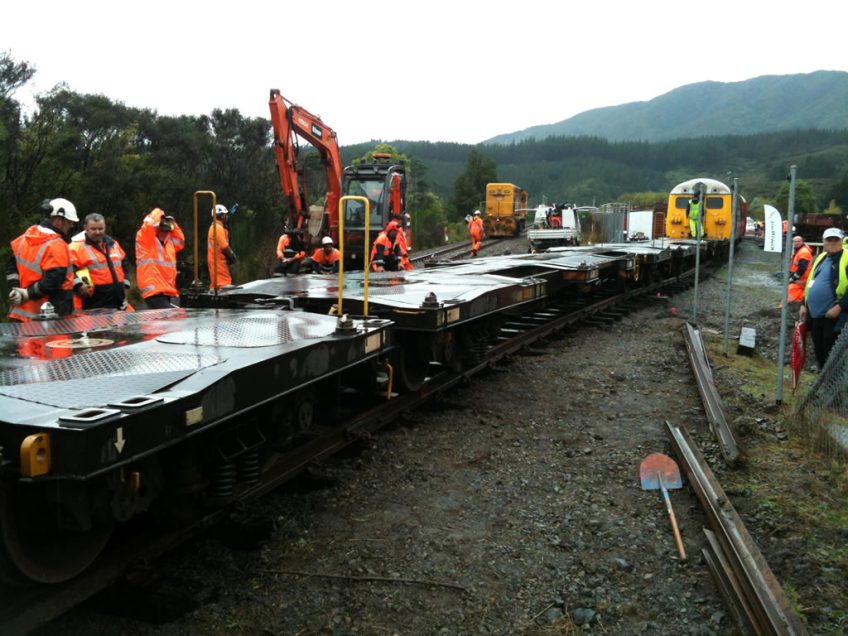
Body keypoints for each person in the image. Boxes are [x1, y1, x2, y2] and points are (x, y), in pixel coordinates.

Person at [7, 197, 78, 321]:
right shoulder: (56, 245)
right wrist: (27, 293)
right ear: (59, 220)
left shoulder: (24, 238)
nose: (72, 225)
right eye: (70, 221)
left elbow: (11, 268)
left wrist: (16, 290)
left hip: (22, 314)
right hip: (50, 315)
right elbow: (53, 280)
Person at [799, 228, 848, 369]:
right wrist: (804, 304)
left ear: (841, 241)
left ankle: (829, 382)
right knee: (818, 347)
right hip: (816, 314)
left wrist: (839, 307)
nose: (832, 243)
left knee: (830, 349)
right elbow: (810, 282)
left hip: (834, 315)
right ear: (823, 242)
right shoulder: (821, 258)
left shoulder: (846, 258)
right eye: (829, 240)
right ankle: (822, 375)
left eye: (836, 240)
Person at [69, 213, 132, 310]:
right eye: (93, 229)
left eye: (100, 229)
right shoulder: (76, 247)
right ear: (85, 228)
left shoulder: (114, 244)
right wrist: (78, 285)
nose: (97, 232)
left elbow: (125, 265)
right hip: (91, 306)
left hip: (119, 304)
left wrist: (126, 286)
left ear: (105, 227)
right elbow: (68, 270)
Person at [135, 207, 185, 309]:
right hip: (153, 289)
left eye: (167, 231)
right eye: (162, 231)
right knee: (170, 318)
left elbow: (181, 241)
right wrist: (159, 215)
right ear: (157, 229)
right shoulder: (146, 241)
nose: (165, 233)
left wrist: (173, 224)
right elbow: (148, 226)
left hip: (166, 289)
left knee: (159, 323)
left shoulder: (169, 243)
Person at [207, 204, 236, 289]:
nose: (227, 217)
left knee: (217, 281)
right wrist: (232, 255)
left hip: (216, 259)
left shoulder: (216, 227)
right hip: (218, 260)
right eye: (226, 214)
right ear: (222, 215)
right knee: (223, 283)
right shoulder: (217, 228)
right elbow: (224, 246)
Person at [787, 235, 813, 304]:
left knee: (791, 292)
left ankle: (784, 307)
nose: (796, 243)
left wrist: (793, 278)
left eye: (798, 241)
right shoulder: (799, 250)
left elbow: (802, 268)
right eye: (795, 241)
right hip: (800, 279)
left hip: (800, 279)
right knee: (799, 295)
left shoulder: (803, 252)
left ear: (802, 242)